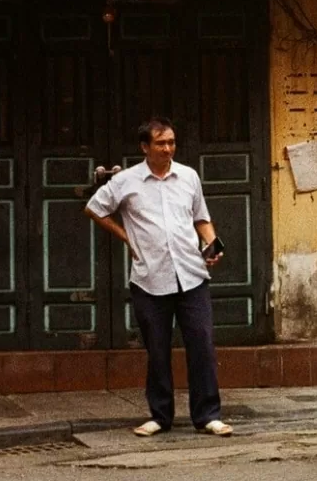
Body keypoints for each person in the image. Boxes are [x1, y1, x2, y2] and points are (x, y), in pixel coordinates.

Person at [86, 118, 232, 439]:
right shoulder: (127, 181)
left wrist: (211, 244)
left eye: (171, 142)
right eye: (161, 143)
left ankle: (208, 415)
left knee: (202, 346)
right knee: (158, 349)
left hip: (192, 275)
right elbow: (95, 208)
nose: (168, 149)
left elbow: (201, 219)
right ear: (145, 147)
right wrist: (127, 238)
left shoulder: (188, 177)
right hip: (149, 279)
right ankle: (160, 416)